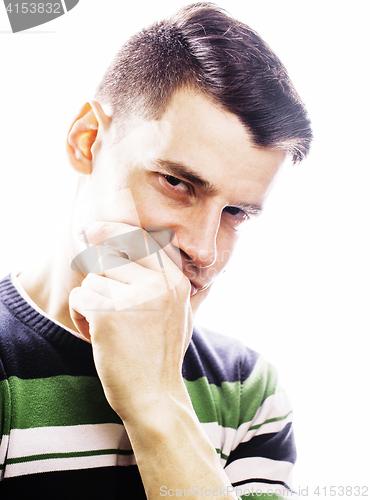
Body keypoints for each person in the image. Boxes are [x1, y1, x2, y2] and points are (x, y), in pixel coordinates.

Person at [0, 2, 312, 499]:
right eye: (176, 182)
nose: (203, 249)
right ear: (86, 141)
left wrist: (158, 402)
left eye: (236, 212)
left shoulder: (247, 392)